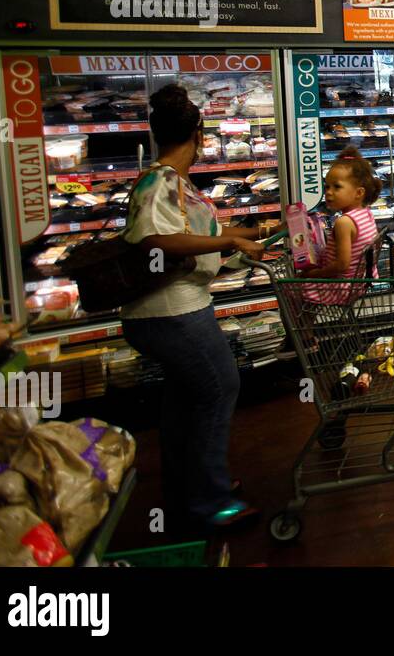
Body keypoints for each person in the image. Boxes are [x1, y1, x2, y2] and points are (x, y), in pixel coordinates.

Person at [120, 84, 267, 532]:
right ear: (199, 135)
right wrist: (227, 238)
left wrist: (244, 243)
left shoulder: (173, 183)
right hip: (172, 312)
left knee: (185, 401)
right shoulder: (159, 180)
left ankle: (190, 488)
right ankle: (209, 503)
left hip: (175, 308)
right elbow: (155, 240)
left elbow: (192, 245)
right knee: (218, 390)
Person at [299, 146, 382, 304]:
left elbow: (342, 265)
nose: (329, 192)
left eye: (337, 187)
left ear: (359, 193)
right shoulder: (366, 212)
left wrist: (315, 274)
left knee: (292, 291)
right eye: (327, 186)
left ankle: (303, 328)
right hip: (359, 281)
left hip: (341, 286)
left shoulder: (344, 222)